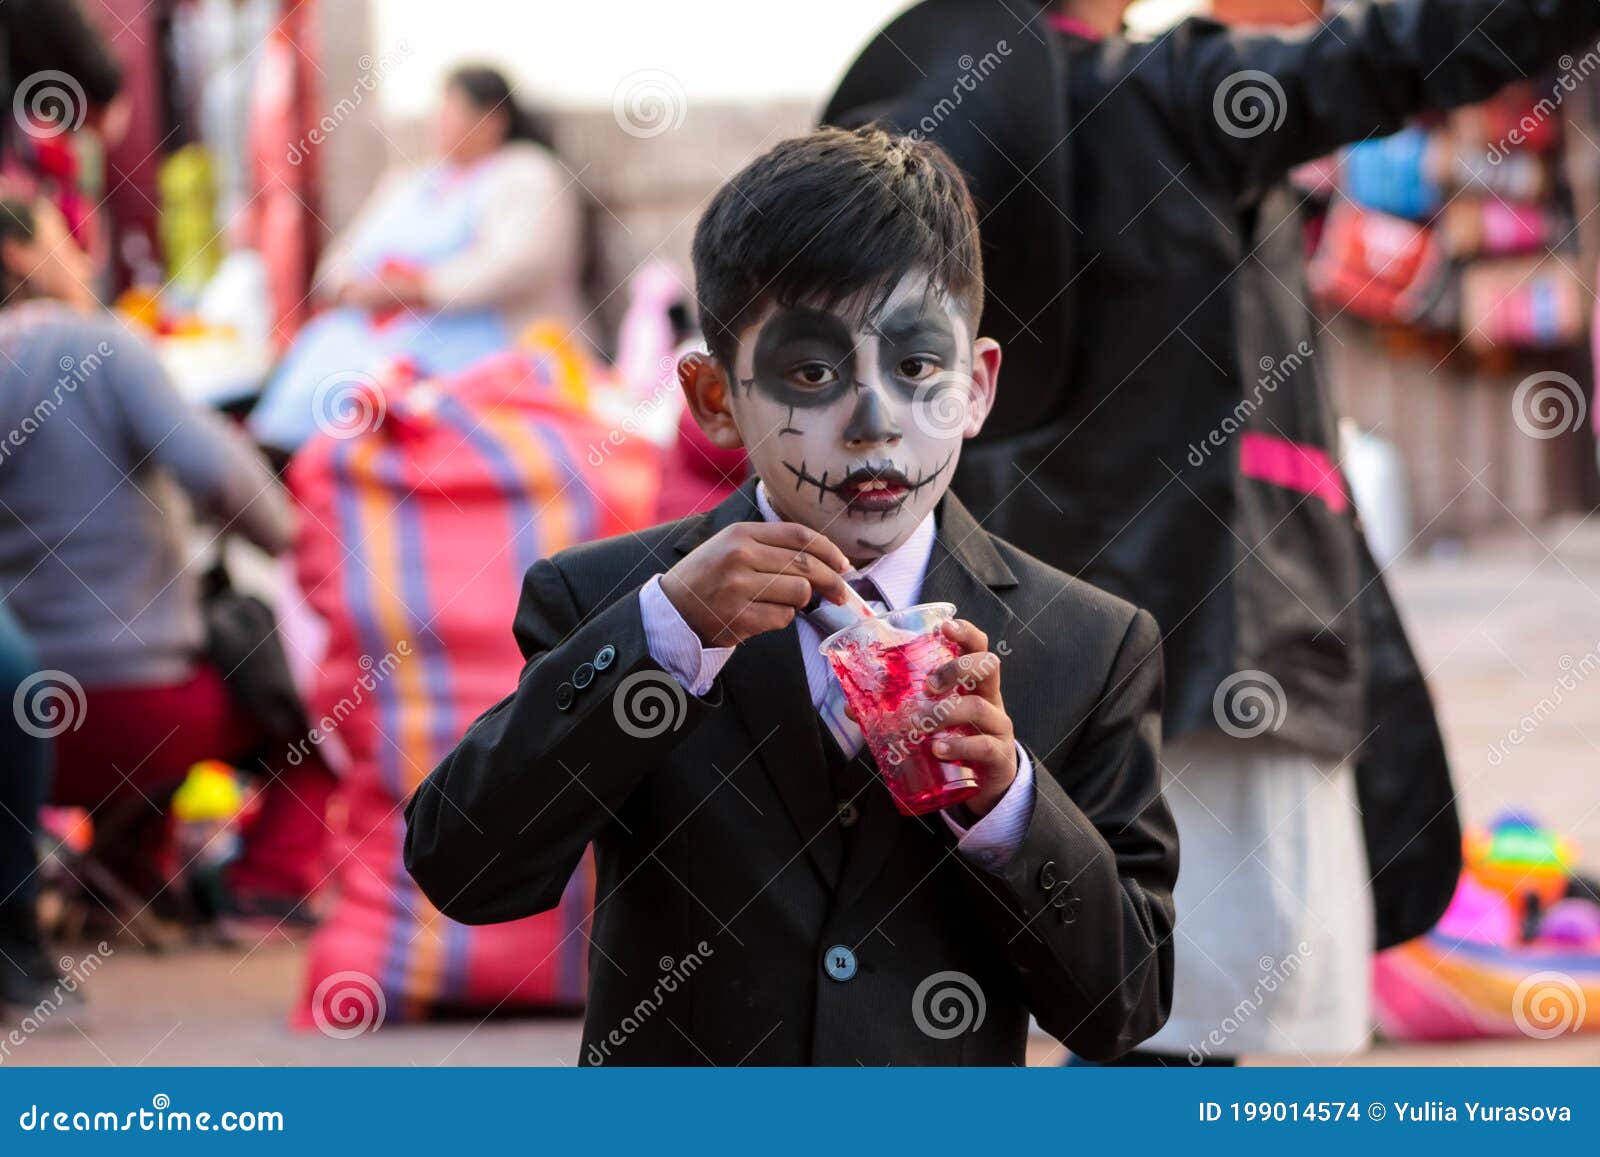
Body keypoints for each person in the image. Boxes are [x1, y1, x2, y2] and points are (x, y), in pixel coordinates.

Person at [824, 0, 1600, 1063]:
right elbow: (1399, 53)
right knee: (1236, 1032)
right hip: (1227, 633)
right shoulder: (1171, 93)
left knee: (1090, 1019)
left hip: (1034, 646)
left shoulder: (920, 119)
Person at [405, 127, 1178, 1066]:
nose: (873, 422)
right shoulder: (608, 600)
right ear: (713, 397)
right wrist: (665, 636)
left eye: (918, 369)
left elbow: (1124, 1004)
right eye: (812, 375)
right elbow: (467, 867)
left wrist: (1010, 802)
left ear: (976, 387)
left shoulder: (1087, 644)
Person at [0, 198, 332, 922]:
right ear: (19, 252)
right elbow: (216, 472)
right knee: (316, 711)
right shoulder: (98, 348)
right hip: (137, 711)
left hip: (20, 723)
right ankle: (262, 886)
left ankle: (124, 871)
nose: (83, 260)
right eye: (66, 240)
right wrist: (303, 546)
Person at [249, 64, 590, 452]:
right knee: (325, 352)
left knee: (385, 387)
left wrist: (416, 288)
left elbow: (521, 263)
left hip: (476, 341)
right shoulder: (410, 182)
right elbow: (345, 255)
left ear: (492, 120)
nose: (438, 124)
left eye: (452, 112)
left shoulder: (528, 174)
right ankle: (287, 459)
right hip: (377, 332)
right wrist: (351, 287)